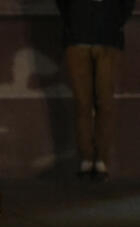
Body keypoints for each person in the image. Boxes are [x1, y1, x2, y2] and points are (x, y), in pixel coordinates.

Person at [57, 0, 134, 179]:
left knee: (104, 102)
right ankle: (87, 158)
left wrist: (114, 23)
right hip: (80, 37)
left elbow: (128, 5)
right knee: (83, 103)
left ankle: (100, 160)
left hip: (106, 37)